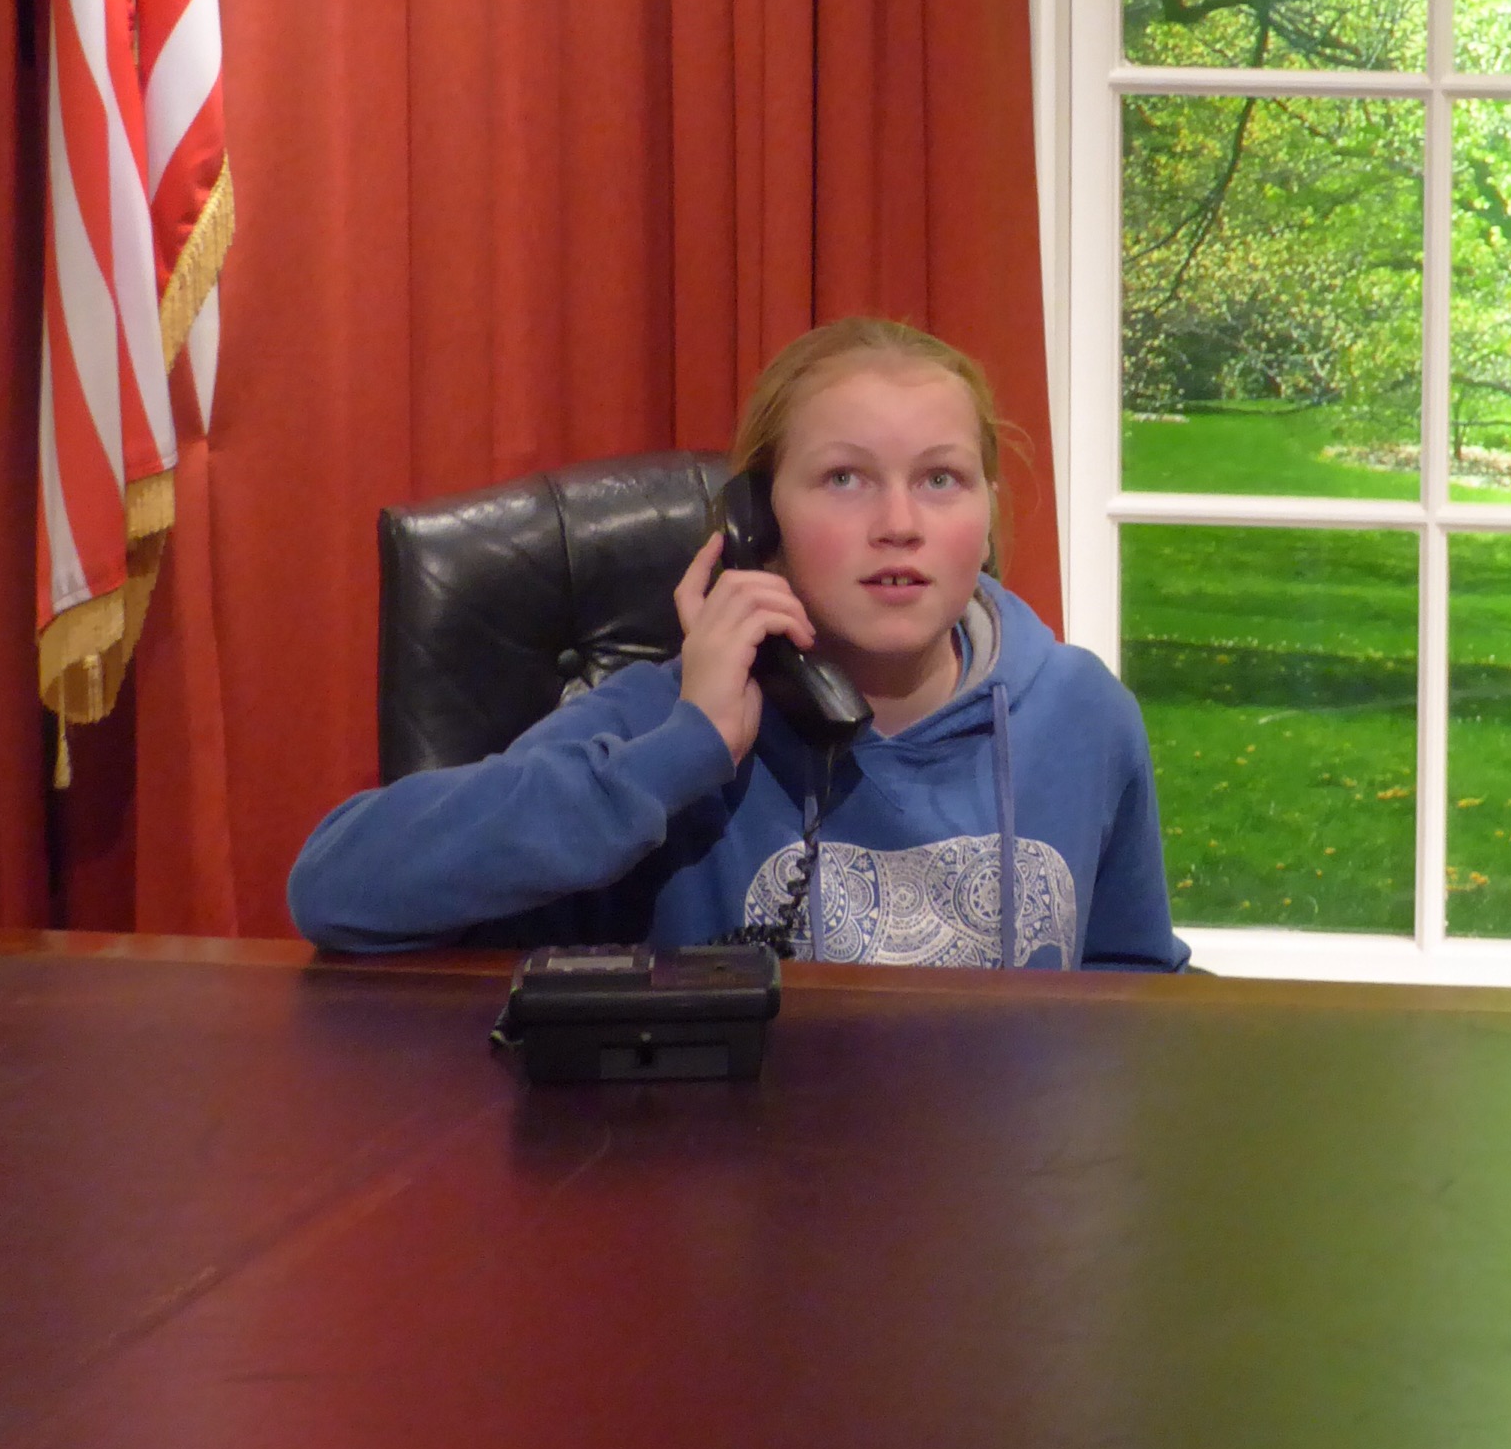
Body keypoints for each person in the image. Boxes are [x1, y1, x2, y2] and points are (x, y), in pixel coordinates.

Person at [290, 318, 1190, 971]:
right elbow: (335, 885)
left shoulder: (1082, 713)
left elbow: (1136, 989)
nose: (900, 523)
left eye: (941, 479)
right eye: (845, 478)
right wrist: (684, 752)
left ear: (988, 512)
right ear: (756, 522)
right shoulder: (668, 720)